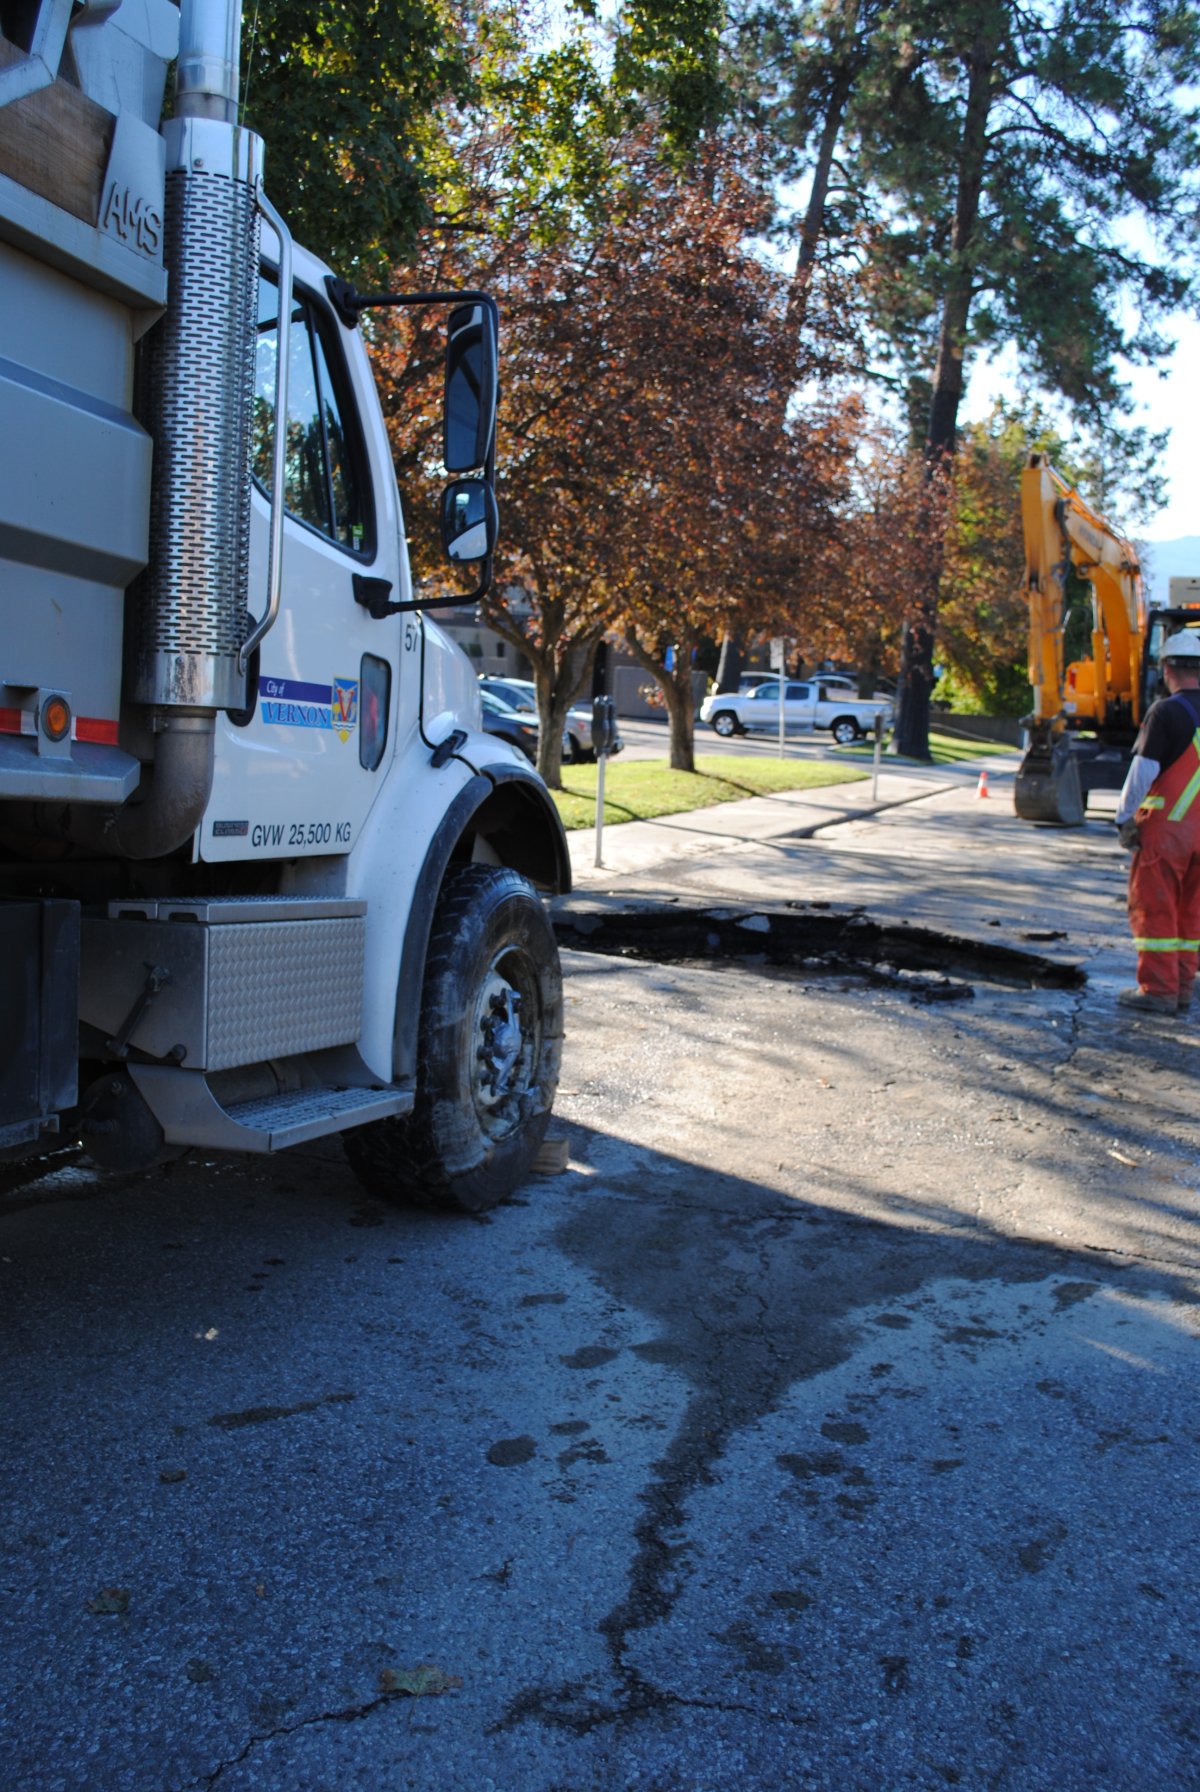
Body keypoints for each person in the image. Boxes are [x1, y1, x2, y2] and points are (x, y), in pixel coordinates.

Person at [1114, 629, 1200, 1013]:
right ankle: (1182, 988)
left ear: (1166, 669)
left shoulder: (1166, 711)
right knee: (1191, 913)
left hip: (1169, 832)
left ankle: (1159, 991)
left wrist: (1124, 819)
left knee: (1156, 908)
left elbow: (1142, 773)